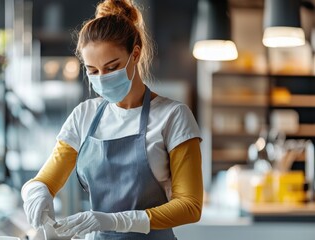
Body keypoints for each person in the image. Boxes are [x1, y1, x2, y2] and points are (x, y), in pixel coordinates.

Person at [21, 0, 203, 239]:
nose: (102, 78)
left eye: (112, 67)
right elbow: (45, 179)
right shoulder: (83, 116)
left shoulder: (173, 117)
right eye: (92, 71)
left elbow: (190, 206)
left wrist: (115, 220)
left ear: (135, 55)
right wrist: (36, 191)